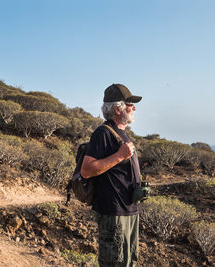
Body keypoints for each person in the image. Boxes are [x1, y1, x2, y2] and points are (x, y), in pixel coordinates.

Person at [80, 83, 142, 267]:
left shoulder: (121, 133)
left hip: (129, 210)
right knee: (115, 263)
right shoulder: (103, 133)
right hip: (114, 212)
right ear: (117, 108)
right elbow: (87, 170)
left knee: (129, 261)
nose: (134, 108)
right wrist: (119, 156)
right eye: (130, 104)